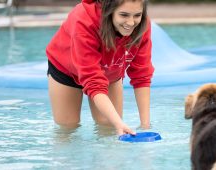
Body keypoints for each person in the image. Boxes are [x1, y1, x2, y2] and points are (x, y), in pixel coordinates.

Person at [46, 0, 154, 136]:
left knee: (109, 127)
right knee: (67, 128)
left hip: (109, 71)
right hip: (66, 69)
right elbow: (93, 82)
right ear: (109, 11)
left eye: (137, 15)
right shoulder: (84, 21)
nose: (131, 23)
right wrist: (118, 123)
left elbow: (142, 75)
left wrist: (145, 126)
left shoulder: (142, 25)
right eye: (124, 15)